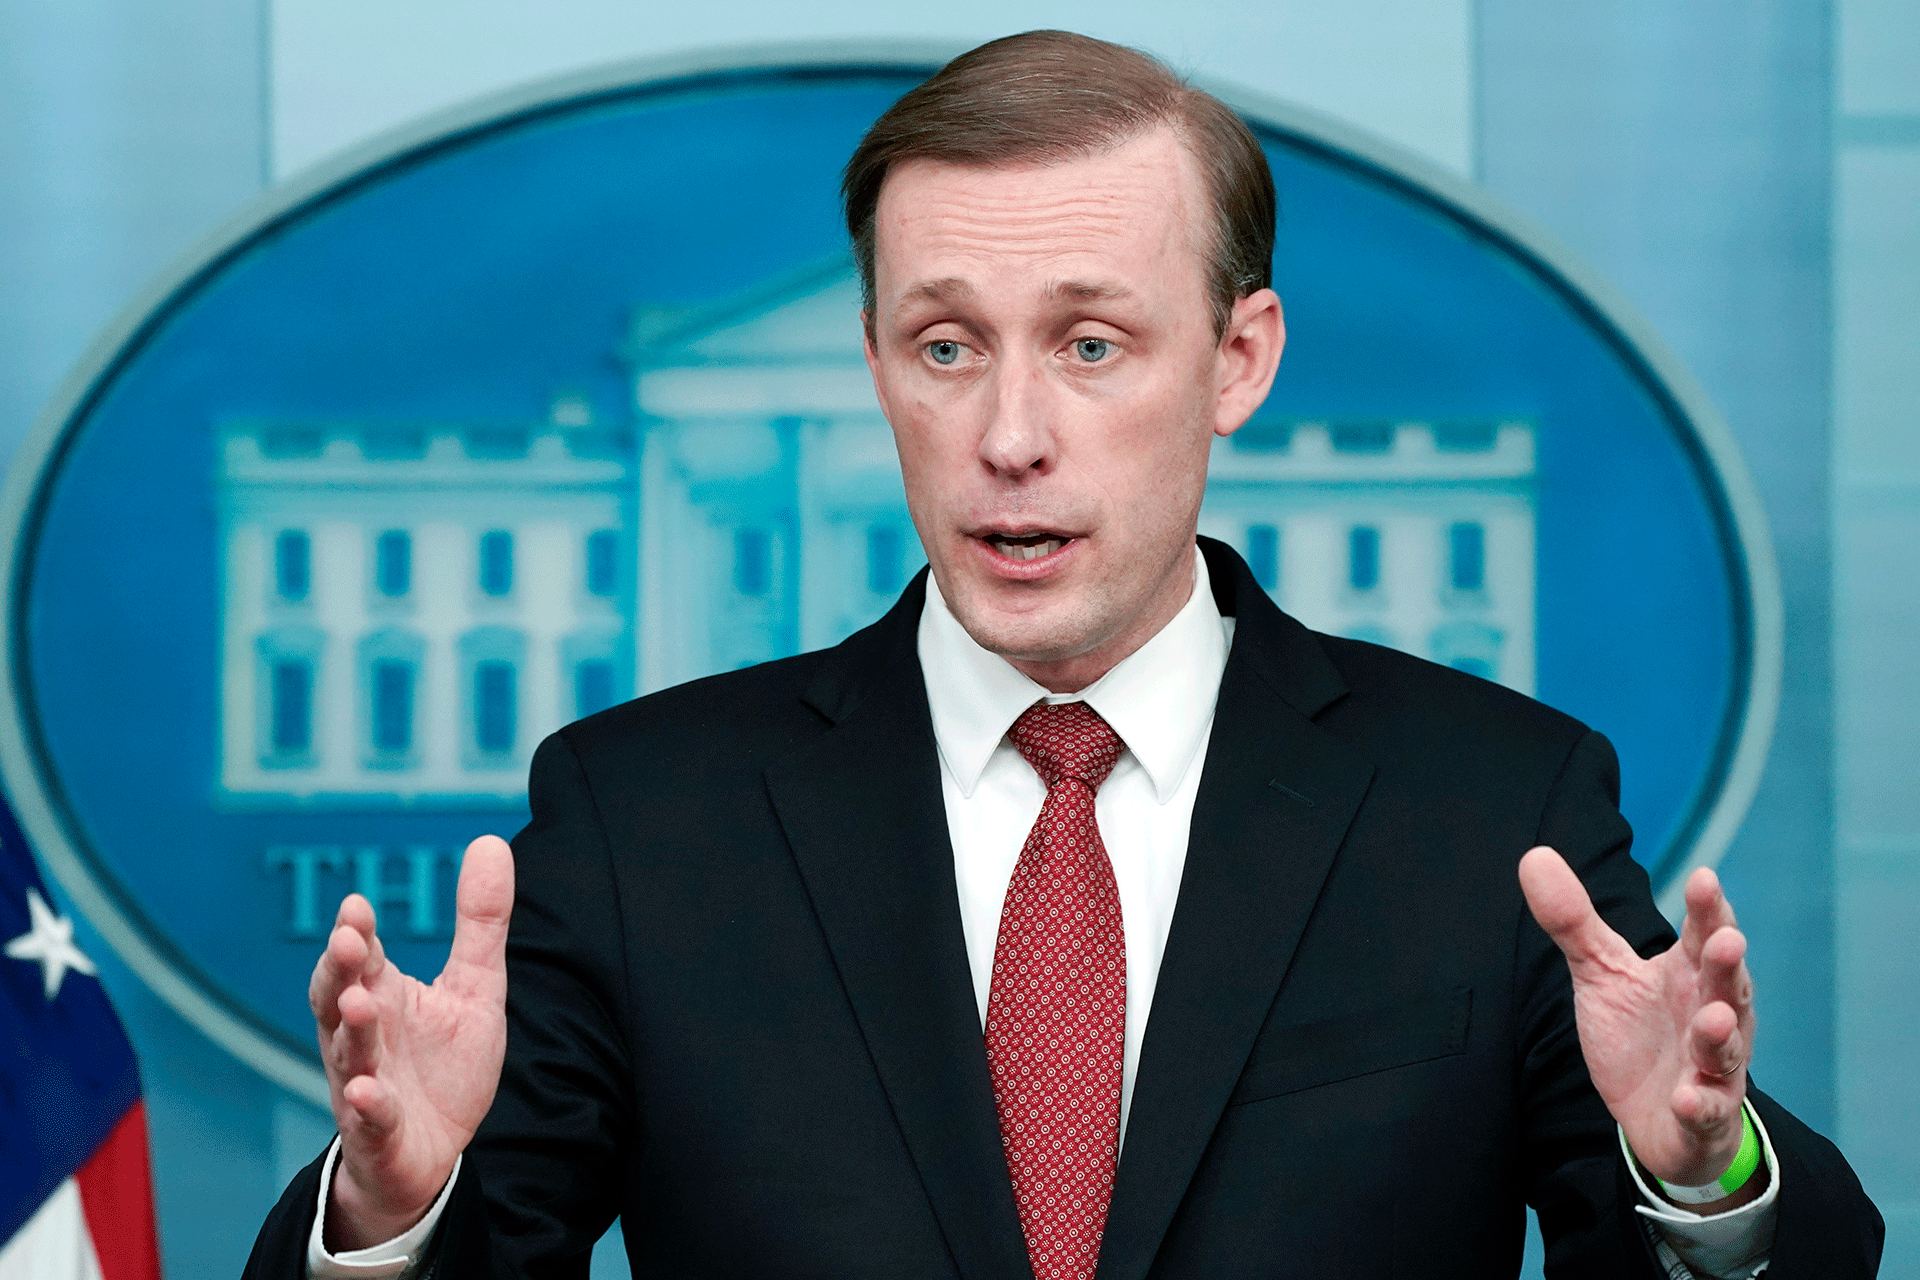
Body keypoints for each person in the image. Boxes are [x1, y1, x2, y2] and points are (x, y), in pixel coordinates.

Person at [246, 30, 1881, 1279]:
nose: (1008, 435)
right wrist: (396, 1210)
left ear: (1238, 362)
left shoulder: (1488, 804)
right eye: (945, 346)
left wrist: (1705, 1172)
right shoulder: (645, 816)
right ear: (878, 363)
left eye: (1091, 347)